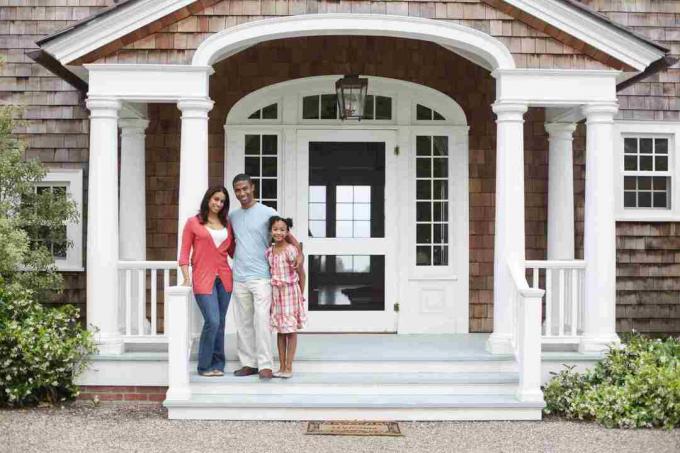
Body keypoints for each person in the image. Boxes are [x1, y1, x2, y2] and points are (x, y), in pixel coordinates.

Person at [229, 174, 302, 380]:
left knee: (262, 321)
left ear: (252, 187)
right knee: (243, 322)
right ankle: (248, 363)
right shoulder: (233, 216)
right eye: (237, 190)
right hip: (240, 276)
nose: (241, 193)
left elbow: (288, 237)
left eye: (245, 188)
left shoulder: (267, 212)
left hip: (262, 276)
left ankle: (265, 365)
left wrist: (300, 255)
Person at [178, 186, 235, 377]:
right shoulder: (193, 223)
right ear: (208, 199)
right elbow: (184, 253)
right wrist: (187, 277)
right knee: (212, 320)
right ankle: (204, 366)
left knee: (221, 322)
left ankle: (218, 364)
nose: (218, 204)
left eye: (222, 201)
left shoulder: (227, 224)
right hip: (203, 278)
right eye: (216, 199)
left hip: (225, 279)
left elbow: (234, 251)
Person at [266, 216, 307, 378]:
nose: (278, 232)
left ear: (287, 232)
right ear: (271, 231)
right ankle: (281, 366)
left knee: (291, 331)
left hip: (290, 293)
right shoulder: (269, 252)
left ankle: (289, 366)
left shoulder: (291, 250)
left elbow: (301, 275)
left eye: (282, 229)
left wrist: (301, 295)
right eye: (275, 229)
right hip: (277, 295)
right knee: (280, 332)